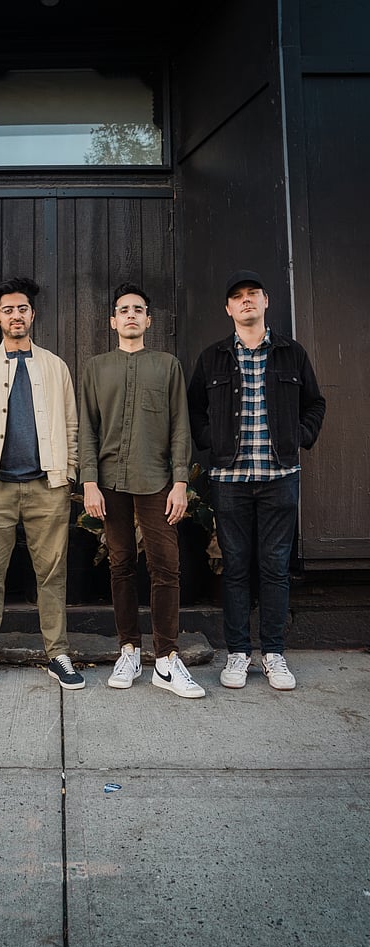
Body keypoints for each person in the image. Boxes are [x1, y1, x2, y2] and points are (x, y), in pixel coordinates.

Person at [187, 270, 326, 691]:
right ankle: (238, 653)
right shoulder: (212, 357)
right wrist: (211, 440)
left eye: (253, 294)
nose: (246, 300)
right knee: (234, 567)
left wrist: (299, 437)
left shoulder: (291, 353)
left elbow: (315, 404)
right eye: (237, 296)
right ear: (228, 308)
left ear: (266, 301)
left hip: (279, 476)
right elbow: (194, 408)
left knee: (275, 567)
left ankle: (274, 653)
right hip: (229, 478)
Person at [79, 281, 206, 698]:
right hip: (110, 482)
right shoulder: (96, 368)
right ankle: (129, 650)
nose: (131, 315)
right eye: (124, 310)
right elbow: (87, 429)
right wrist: (90, 482)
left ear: (149, 320)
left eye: (138, 310)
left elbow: (180, 426)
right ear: (112, 321)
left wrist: (180, 482)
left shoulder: (167, 365)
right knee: (120, 565)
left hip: (156, 481)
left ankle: (166, 659)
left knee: (166, 567)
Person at [0, 276, 83, 690]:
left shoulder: (55, 365)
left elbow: (70, 424)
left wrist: (68, 472)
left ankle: (58, 653)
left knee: (52, 575)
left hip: (48, 486)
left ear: (33, 314)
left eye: (23, 309)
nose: (16, 315)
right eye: (8, 309)